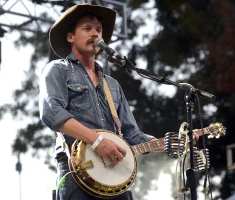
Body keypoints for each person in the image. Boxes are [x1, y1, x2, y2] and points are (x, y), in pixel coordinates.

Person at [39, 3, 156, 200]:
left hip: (114, 177)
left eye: (98, 30)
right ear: (70, 37)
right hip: (75, 172)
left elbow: (132, 135)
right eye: (87, 28)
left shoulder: (112, 85)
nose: (95, 33)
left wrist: (168, 143)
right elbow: (52, 113)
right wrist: (98, 140)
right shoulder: (57, 70)